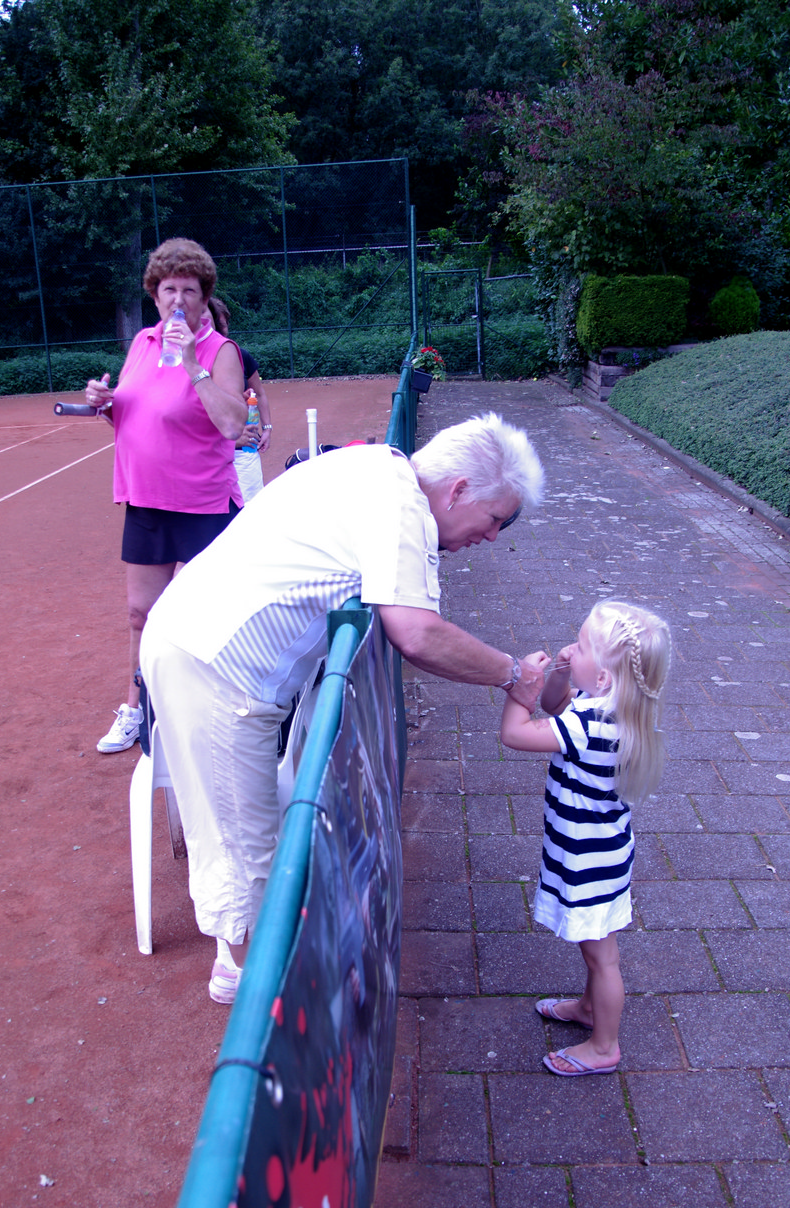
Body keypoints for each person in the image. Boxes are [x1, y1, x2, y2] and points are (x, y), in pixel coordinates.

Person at [139, 413, 547, 1003]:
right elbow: (417, 633)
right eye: (494, 519)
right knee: (245, 846)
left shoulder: (381, 471)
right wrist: (514, 674)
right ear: (459, 489)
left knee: (248, 830)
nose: (490, 537)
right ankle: (257, 991)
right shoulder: (401, 504)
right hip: (214, 664)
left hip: (204, 646)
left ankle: (247, 965)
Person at [85, 238, 247, 754]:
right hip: (146, 500)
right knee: (142, 615)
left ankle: (215, 713)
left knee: (209, 616)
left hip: (203, 504)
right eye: (169, 289)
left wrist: (193, 364)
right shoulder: (142, 343)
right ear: (155, 295)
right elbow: (133, 413)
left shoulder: (220, 351)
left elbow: (232, 424)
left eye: (189, 291)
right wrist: (104, 403)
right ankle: (136, 709)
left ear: (204, 299)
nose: (178, 300)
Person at [499, 600, 671, 1076]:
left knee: (602, 958)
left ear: (603, 678)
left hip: (587, 863)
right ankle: (590, 1009)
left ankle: (604, 1047)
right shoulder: (610, 711)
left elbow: (515, 734)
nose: (569, 649)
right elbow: (557, 706)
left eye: (579, 646)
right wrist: (558, 673)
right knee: (595, 949)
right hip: (601, 853)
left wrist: (520, 686)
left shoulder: (587, 725)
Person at [208, 296, 272, 503]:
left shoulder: (240, 355)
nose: (220, 330)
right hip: (208, 456)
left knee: (250, 509)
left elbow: (259, 393)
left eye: (223, 324)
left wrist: (267, 428)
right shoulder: (190, 361)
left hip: (244, 451)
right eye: (215, 324)